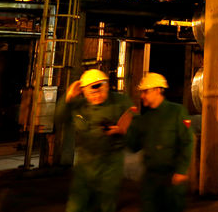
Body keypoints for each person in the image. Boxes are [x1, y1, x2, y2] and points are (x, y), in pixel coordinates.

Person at [54, 68, 133, 212]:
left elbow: (136, 130)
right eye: (92, 92)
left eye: (100, 90)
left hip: (111, 163)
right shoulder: (78, 105)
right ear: (83, 91)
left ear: (107, 86)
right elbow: (58, 119)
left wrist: (123, 130)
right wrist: (68, 97)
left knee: (106, 203)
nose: (97, 95)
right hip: (85, 163)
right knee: (77, 204)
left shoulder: (120, 102)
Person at [127, 72, 195, 212]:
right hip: (150, 180)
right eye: (142, 92)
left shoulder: (177, 112)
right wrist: (127, 127)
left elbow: (187, 142)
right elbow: (133, 146)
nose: (142, 96)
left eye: (145, 91)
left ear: (158, 90)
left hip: (171, 178)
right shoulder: (144, 119)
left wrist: (181, 170)